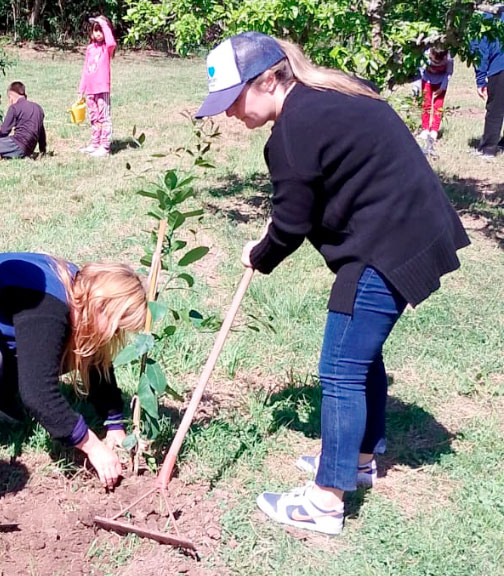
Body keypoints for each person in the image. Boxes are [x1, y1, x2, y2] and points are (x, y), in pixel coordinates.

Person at [195, 32, 469, 535]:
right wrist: (278, 226)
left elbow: (292, 226)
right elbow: (312, 195)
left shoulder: (292, 132)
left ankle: (325, 501)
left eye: (232, 100)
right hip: (406, 227)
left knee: (340, 364)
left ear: (269, 79)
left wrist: (259, 253)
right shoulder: (329, 94)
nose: (228, 114)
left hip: (386, 242)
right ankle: (361, 457)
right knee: (358, 351)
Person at [0, 252, 146, 489]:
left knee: (67, 349)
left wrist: (114, 423)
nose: (116, 335)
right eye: (117, 327)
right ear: (101, 305)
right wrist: (93, 446)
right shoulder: (48, 305)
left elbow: (96, 357)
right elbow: (38, 394)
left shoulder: (80, 288)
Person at [78, 15, 116, 158]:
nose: (98, 33)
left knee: (104, 117)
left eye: (101, 30)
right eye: (95, 30)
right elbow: (85, 70)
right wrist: (81, 89)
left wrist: (102, 23)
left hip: (102, 88)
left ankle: (104, 147)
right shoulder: (90, 49)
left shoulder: (107, 48)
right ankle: (95, 144)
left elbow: (111, 41)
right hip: (90, 90)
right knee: (94, 118)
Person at [471, 6, 504, 158]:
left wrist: (480, 80)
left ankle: (488, 148)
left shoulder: (483, 19)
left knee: (495, 110)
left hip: (499, 68)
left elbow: (481, 51)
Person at [0, 81, 47, 160]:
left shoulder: (14, 108)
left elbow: (4, 132)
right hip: (28, 150)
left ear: (10, 98)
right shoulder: (38, 108)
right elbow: (41, 132)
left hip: (17, 145)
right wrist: (43, 150)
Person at [417, 47, 453, 146]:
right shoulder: (426, 55)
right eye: (433, 60)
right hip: (427, 79)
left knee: (438, 106)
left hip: (441, 81)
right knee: (426, 104)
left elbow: (449, 73)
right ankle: (425, 129)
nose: (435, 63)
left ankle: (434, 131)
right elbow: (420, 69)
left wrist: (442, 87)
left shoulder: (449, 59)